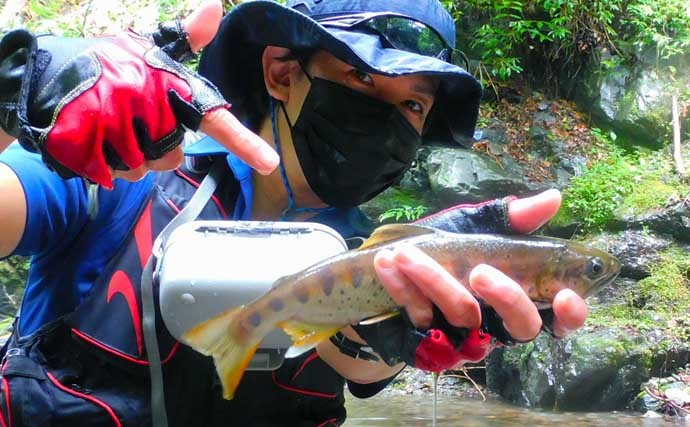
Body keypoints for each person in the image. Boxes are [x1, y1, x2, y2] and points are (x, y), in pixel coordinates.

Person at [0, 0, 588, 425]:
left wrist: (382, 324)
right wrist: (13, 98)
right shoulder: (122, 174)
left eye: (412, 103)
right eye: (362, 76)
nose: (387, 118)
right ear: (282, 74)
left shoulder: (370, 250)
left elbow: (358, 367)